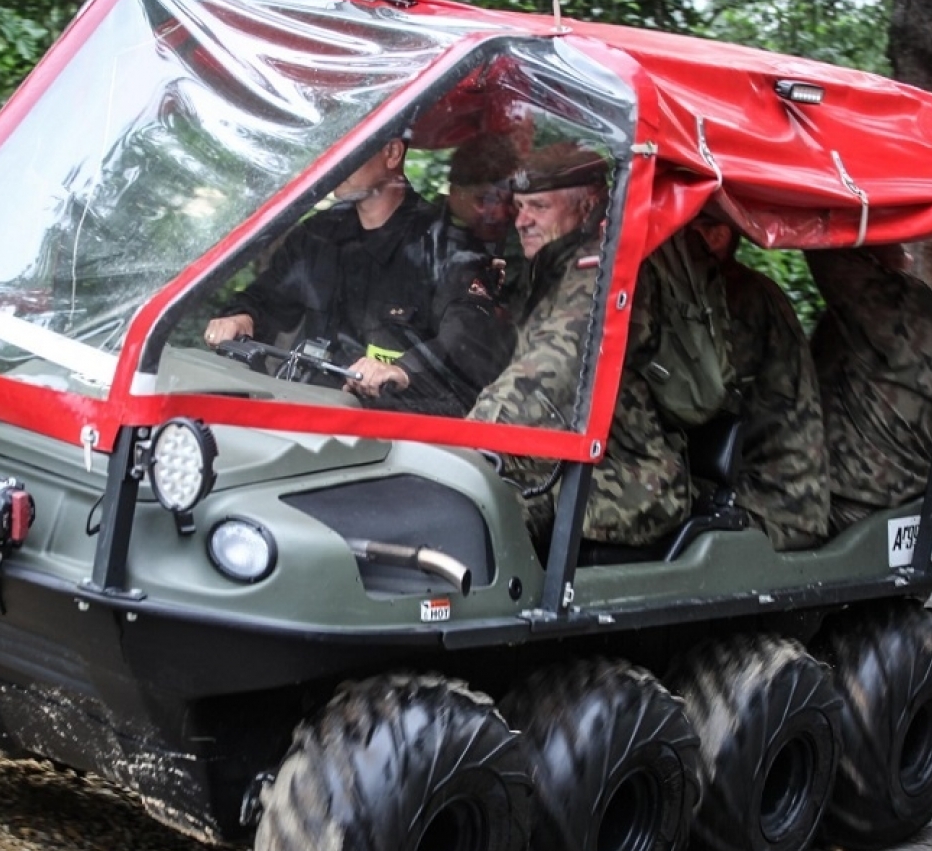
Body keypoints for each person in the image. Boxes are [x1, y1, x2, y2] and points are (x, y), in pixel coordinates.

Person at [469, 141, 692, 550]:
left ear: (587, 207)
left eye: (538, 207)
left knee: (482, 517)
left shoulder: (603, 274)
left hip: (627, 472)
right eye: (519, 207)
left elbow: (550, 369)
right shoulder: (544, 271)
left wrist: (462, 441)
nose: (522, 221)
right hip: (555, 454)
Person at [203, 137, 508, 417]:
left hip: (394, 443)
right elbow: (265, 298)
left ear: (391, 153)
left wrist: (403, 371)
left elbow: (470, 339)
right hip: (302, 420)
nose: (336, 159)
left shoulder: (445, 247)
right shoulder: (316, 237)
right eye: (334, 146)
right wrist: (241, 317)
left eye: (351, 147)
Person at [690, 215, 830, 550]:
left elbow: (697, 402)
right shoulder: (705, 292)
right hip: (738, 483)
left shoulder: (738, 297)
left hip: (775, 500)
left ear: (717, 237)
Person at [806, 244, 932, 534]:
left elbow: (824, 250)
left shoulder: (893, 307)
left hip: (853, 502)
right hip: (899, 498)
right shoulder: (928, 323)